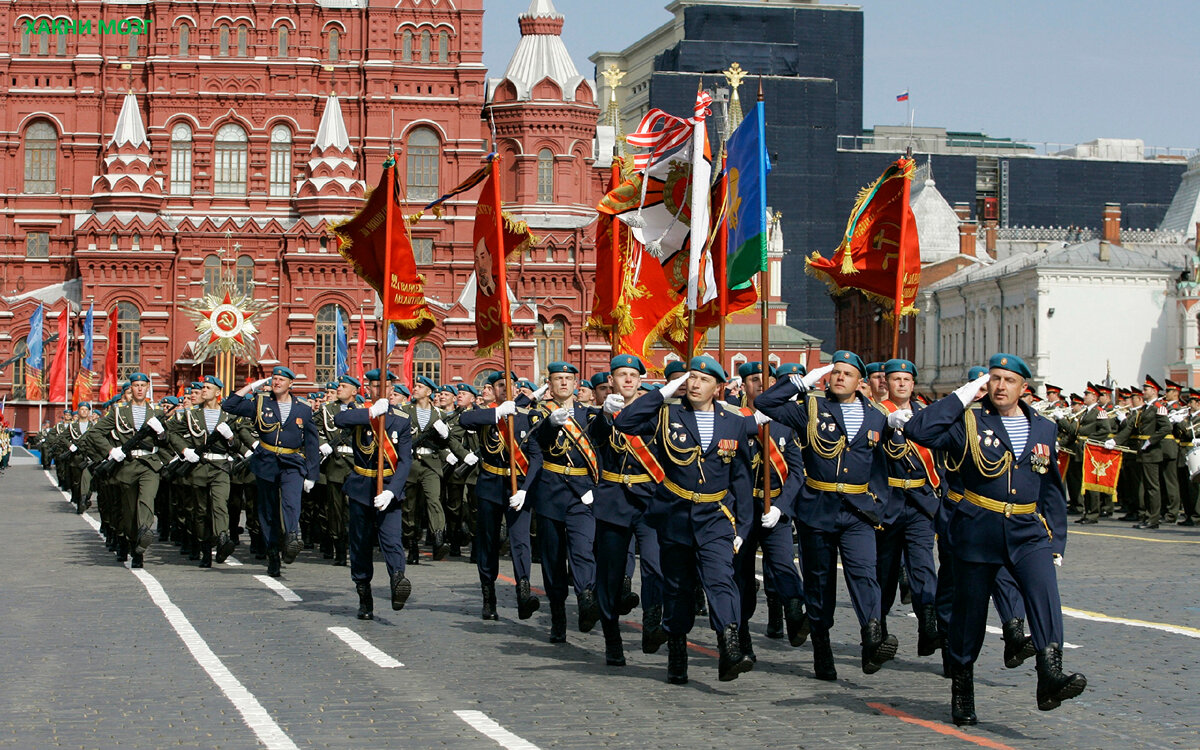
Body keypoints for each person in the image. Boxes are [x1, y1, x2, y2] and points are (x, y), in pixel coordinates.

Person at [903, 353, 1086, 726]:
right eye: (995, 379)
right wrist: (965, 394)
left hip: (1028, 531)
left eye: (1009, 380)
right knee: (970, 616)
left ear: (1024, 388)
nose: (1001, 386)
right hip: (978, 528)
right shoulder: (968, 421)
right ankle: (963, 687)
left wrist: (1058, 542)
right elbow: (918, 431)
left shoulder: (1043, 428)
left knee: (1045, 597)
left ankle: (1050, 675)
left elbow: (1051, 488)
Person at [756, 351, 898, 681]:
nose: (839, 378)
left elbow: (884, 466)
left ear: (859, 382)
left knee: (865, 573)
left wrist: (878, 501)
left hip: (857, 510)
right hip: (817, 509)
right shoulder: (812, 407)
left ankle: (872, 638)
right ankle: (822, 645)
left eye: (847, 374)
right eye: (835, 372)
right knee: (819, 582)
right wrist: (799, 382)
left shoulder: (876, 416)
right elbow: (765, 403)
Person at [613, 355, 754, 684]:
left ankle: (729, 645)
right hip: (674, 512)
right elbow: (625, 423)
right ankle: (677, 648)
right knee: (677, 588)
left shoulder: (733, 421)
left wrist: (743, 527)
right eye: (690, 377)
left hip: (716, 516)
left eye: (703, 380)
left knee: (721, 580)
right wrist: (662, 393)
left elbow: (742, 479)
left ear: (717, 387)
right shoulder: (667, 413)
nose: (694, 384)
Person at [590, 355, 666, 665]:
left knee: (655, 565)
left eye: (633, 374)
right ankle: (612, 638)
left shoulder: (655, 414)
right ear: (611, 380)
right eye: (622, 374)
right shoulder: (603, 414)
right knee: (610, 573)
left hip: (649, 499)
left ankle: (652, 621)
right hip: (614, 500)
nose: (628, 380)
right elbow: (593, 441)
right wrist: (604, 417)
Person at [733, 362, 809, 664]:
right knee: (741, 579)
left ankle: (794, 615)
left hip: (773, 509)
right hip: (743, 512)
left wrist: (781, 507)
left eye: (768, 381)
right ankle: (742, 639)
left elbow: (796, 474)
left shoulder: (784, 423)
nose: (761, 386)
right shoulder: (732, 419)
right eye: (754, 380)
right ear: (744, 385)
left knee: (784, 566)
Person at [459, 371, 544, 621]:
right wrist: (496, 412)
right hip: (490, 484)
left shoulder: (528, 416)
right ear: (493, 390)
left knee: (520, 541)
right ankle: (488, 596)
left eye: (511, 385)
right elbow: (465, 420)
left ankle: (524, 593)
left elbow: (536, 457)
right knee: (487, 541)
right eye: (500, 385)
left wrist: (526, 489)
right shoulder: (487, 416)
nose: (507, 389)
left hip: (517, 485)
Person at [222, 366, 320, 577]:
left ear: (290, 384)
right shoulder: (261, 403)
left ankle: (293, 537)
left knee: (292, 501)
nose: (276, 383)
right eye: (274, 379)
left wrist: (312, 473)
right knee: (268, 511)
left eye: (281, 380)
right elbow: (229, 405)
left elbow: (312, 442)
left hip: (292, 462)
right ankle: (273, 553)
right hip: (266, 462)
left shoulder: (303, 408)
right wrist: (251, 386)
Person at [876, 359, 941, 656]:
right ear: (885, 383)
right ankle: (879, 631)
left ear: (914, 384)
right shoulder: (876, 415)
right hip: (887, 504)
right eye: (895, 379)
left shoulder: (926, 416)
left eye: (906, 379)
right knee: (885, 572)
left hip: (920, 503)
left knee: (923, 565)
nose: (901, 384)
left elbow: (940, 459)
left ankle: (928, 626)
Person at [533, 362, 600, 644]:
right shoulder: (539, 413)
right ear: (549, 384)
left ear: (576, 384)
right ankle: (558, 616)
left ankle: (586, 598)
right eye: (557, 379)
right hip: (550, 492)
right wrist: (550, 425)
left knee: (583, 549)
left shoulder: (590, 415)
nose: (563, 383)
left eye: (568, 379)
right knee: (553, 558)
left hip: (582, 492)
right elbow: (535, 443)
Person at [334, 383, 414, 620]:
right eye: (374, 385)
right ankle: (364, 595)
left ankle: (398, 578)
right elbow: (339, 420)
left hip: (388, 488)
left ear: (390, 389)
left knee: (391, 539)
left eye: (384, 385)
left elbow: (405, 460)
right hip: (361, 488)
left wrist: (392, 491)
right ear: (367, 389)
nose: (380, 389)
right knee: (360, 544)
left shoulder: (401, 419)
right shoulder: (358, 414)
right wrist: (370, 413)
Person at [92, 372, 171, 568]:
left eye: (143, 385)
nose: (139, 389)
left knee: (147, 501)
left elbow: (168, 440)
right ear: (131, 388)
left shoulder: (156, 411)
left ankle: (144, 535)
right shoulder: (119, 412)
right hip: (126, 465)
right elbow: (95, 433)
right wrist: (111, 450)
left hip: (149, 464)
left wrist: (161, 433)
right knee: (128, 512)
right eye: (135, 385)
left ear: (147, 388)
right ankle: (132, 541)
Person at [165, 375, 240, 568]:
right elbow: (170, 432)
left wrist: (231, 438)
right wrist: (184, 450)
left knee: (220, 504)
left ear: (217, 392)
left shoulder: (228, 416)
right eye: (203, 387)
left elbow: (238, 443)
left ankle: (223, 540)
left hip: (220, 467)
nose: (203, 390)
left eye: (208, 387)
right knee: (200, 512)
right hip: (198, 468)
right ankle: (205, 548)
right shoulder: (190, 415)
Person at [400, 376, 453, 563]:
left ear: (429, 392)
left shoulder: (440, 415)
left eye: (420, 386)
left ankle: (438, 538)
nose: (415, 389)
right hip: (411, 463)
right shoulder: (404, 410)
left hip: (431, 463)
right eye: (415, 386)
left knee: (434, 500)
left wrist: (445, 434)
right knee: (409, 508)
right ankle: (412, 543)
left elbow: (446, 441)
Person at [1111, 376, 1170, 529]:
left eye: (1146, 389)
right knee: (1145, 487)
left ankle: (1153, 519)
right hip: (1142, 451)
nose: (1143, 392)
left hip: (1152, 451)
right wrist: (1116, 441)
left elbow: (1166, 428)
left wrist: (1151, 440)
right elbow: (1131, 428)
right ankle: (1147, 515)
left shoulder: (1158, 407)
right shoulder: (1145, 409)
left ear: (1154, 391)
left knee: (1152, 487)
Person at [315, 375, 360, 565]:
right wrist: (323, 444)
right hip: (335, 463)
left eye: (344, 386)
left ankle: (354, 545)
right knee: (335, 509)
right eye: (339, 386)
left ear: (354, 391)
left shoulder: (362, 411)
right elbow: (315, 430)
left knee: (354, 509)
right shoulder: (327, 410)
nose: (339, 389)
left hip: (356, 464)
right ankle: (339, 548)